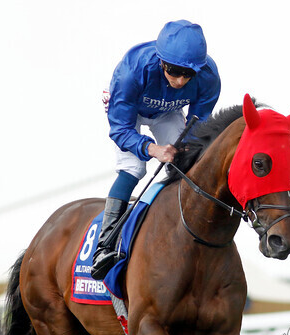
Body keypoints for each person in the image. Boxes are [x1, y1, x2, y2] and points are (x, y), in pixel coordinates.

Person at [91, 19, 221, 279]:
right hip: (130, 114)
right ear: (162, 61)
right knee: (133, 168)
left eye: (189, 74)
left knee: (188, 161)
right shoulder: (131, 72)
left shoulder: (209, 77)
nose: (181, 80)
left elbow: (199, 126)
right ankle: (104, 246)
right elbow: (120, 130)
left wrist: (184, 150)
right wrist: (153, 149)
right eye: (174, 70)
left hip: (168, 112)